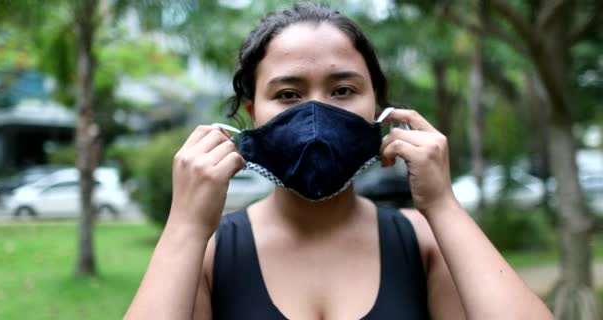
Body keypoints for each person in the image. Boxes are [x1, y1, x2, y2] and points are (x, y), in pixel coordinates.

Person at [125, 3, 553, 319]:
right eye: (288, 94)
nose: (316, 116)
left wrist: (443, 206)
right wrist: (184, 226)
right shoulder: (208, 253)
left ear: (379, 111)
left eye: (343, 90)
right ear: (253, 114)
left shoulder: (426, 242)